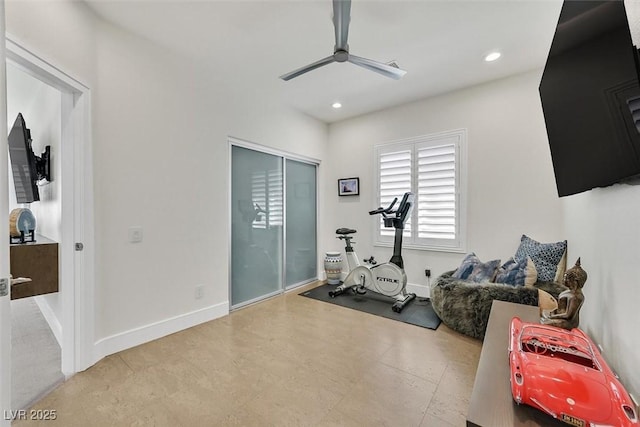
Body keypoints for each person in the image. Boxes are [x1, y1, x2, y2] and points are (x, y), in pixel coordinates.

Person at [541, 258, 587, 330]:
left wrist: (553, 316)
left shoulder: (577, 297)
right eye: (564, 278)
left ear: (575, 281)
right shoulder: (568, 292)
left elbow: (568, 316)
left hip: (568, 322)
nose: (564, 280)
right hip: (560, 316)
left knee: (544, 322)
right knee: (542, 314)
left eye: (567, 279)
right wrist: (553, 312)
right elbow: (561, 308)